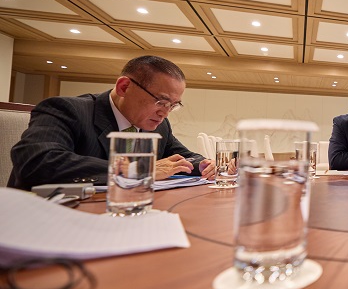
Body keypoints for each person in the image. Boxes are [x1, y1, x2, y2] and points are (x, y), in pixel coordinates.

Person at [9, 56, 215, 190]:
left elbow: (183, 157)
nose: (165, 113)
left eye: (173, 105)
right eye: (160, 102)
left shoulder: (159, 126)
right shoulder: (67, 110)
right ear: (124, 87)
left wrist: (204, 164)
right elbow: (36, 163)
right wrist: (137, 169)